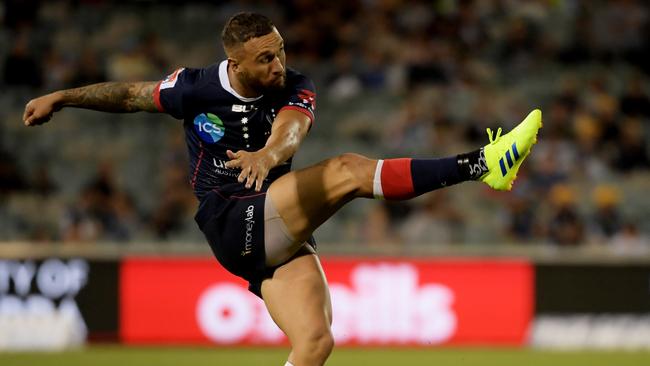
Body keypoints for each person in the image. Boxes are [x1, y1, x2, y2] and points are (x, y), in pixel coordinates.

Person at [22, 12, 542, 366]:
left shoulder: (296, 83)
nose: (278, 65)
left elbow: (292, 130)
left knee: (315, 343)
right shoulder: (195, 88)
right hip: (230, 218)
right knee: (348, 170)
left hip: (272, 222)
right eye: (266, 59)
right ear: (237, 62)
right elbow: (129, 94)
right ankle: (484, 164)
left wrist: (270, 156)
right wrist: (63, 96)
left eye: (280, 52)